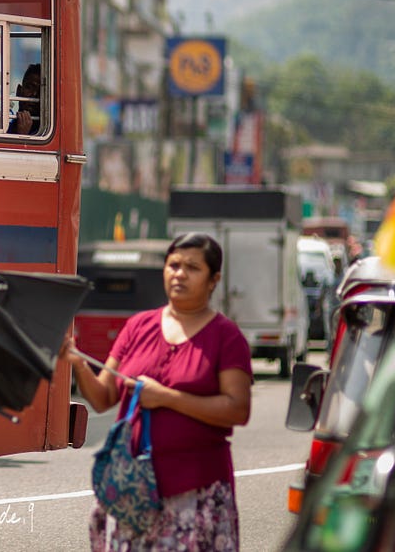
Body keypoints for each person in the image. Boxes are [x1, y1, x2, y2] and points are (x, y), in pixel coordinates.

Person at [62, 232, 252, 551]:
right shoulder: (138, 326)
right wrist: (78, 364)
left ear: (213, 279)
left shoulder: (226, 337)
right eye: (173, 265)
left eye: (192, 267)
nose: (179, 274)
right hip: (136, 492)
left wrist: (166, 397)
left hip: (197, 492)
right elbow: (102, 398)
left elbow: (237, 409)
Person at [8, 62, 40, 134]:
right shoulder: (6, 123)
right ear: (18, 91)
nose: (34, 94)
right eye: (29, 87)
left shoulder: (44, 133)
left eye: (41, 91)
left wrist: (22, 137)